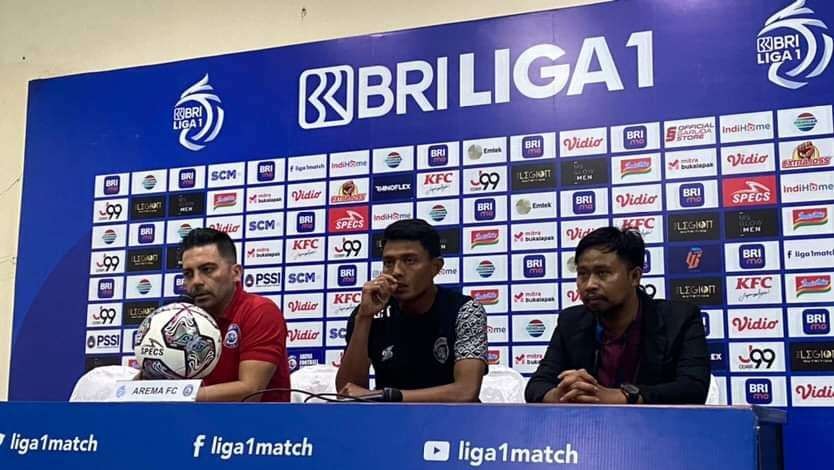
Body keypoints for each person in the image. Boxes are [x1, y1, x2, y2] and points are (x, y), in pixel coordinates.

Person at [525, 227, 709, 405]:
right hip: (586, 431)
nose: (589, 284)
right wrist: (561, 395)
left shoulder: (680, 319)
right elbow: (536, 386)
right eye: (582, 274)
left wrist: (618, 397)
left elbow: (693, 389)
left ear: (635, 277)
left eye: (602, 273)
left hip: (656, 431)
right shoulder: (570, 321)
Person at [336, 219, 488, 402]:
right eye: (388, 262)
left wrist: (387, 396)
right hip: (390, 422)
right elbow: (347, 392)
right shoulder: (370, 312)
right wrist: (364, 317)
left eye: (409, 260)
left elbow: (465, 392)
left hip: (452, 424)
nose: (397, 271)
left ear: (436, 267)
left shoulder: (465, 311)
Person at [179, 228, 290, 402]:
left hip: (256, 427)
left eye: (207, 269)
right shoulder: (182, 318)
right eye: (188, 274)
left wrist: (178, 395)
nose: (196, 282)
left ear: (236, 273)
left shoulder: (260, 311)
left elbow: (250, 391)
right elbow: (147, 382)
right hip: (194, 424)